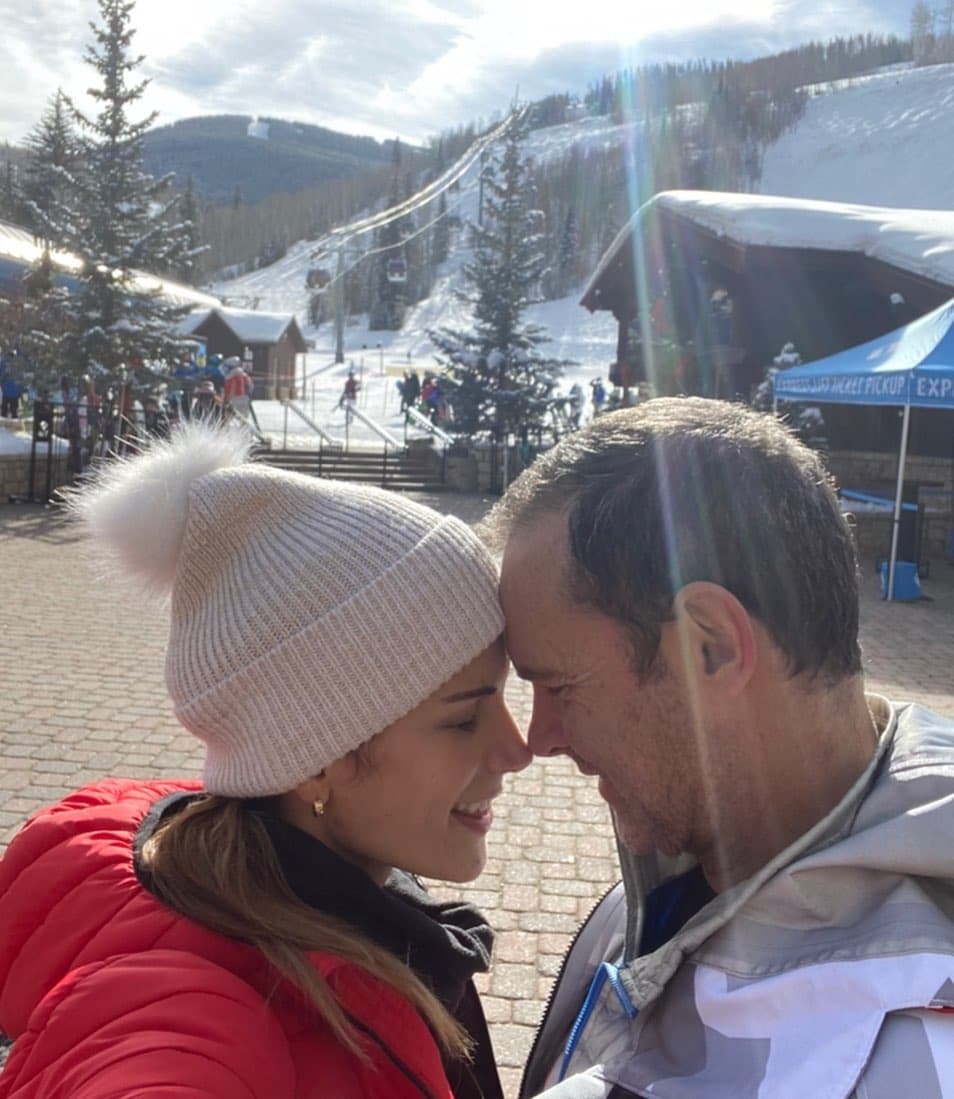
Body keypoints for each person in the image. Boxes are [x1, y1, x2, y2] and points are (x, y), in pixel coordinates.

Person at [0, 425, 530, 1098]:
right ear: (313, 757)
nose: (519, 748)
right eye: (463, 716)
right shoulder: (204, 1014)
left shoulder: (322, 890)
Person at [488, 398, 954, 1097]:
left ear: (711, 646)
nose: (538, 739)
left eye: (557, 686)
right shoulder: (681, 871)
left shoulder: (904, 1060)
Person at [223, 355, 254, 421]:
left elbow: (228, 390)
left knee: (228, 419)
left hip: (233, 400)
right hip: (245, 399)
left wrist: (225, 401)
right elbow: (251, 386)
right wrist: (249, 397)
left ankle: (227, 431)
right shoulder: (244, 375)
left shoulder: (229, 377)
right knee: (244, 421)